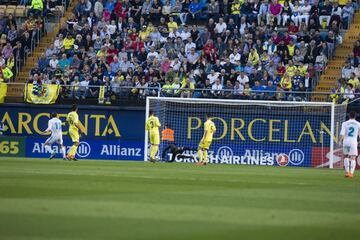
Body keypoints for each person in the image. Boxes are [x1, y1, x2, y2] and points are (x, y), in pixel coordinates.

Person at [340, 111, 360, 178]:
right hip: (354, 141)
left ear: (349, 116)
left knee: (346, 156)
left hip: (346, 141)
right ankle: (351, 173)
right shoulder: (358, 124)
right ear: (355, 116)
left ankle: (347, 172)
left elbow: (342, 134)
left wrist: (340, 141)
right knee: (353, 157)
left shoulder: (345, 123)